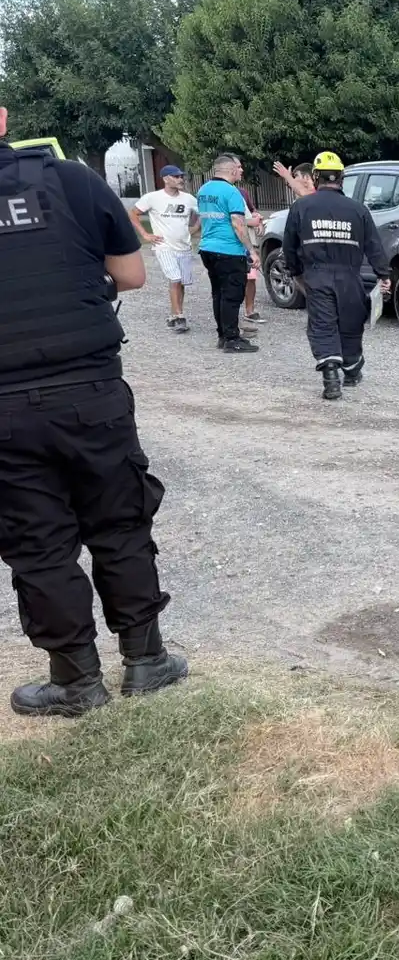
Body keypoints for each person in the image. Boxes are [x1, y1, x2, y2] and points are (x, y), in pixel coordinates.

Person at [0, 104, 188, 717]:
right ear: (3, 120)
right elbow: (131, 275)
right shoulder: (73, 180)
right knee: (119, 522)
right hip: (91, 394)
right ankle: (146, 661)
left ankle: (78, 681)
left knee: (39, 543)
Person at [281, 151, 391, 400]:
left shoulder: (301, 207)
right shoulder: (358, 210)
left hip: (317, 276)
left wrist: (296, 273)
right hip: (349, 277)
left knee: (323, 325)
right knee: (351, 324)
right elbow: (374, 245)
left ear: (316, 177)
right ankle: (351, 371)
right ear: (342, 178)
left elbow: (289, 246)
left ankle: (331, 378)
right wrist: (383, 274)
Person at [197, 154, 259, 353]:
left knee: (219, 294)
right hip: (229, 250)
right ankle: (232, 339)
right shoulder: (231, 192)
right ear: (231, 170)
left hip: (208, 248)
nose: (241, 171)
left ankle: (222, 335)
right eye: (239, 168)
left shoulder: (203, 190)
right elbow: (238, 225)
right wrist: (251, 251)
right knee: (232, 295)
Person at [129, 165, 198, 333]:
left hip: (184, 245)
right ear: (166, 178)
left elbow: (201, 214)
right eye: (176, 176)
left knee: (182, 282)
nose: (180, 179)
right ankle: (179, 316)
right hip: (163, 246)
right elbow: (133, 213)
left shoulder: (189, 199)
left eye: (181, 176)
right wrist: (146, 234)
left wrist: (195, 228)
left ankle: (175, 314)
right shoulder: (152, 197)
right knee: (174, 278)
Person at [240, 181, 265, 325]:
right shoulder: (223, 194)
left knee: (251, 278)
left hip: (249, 242)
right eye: (238, 167)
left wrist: (259, 220)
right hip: (233, 243)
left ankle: (250, 311)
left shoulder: (242, 192)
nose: (241, 170)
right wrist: (252, 222)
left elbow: (252, 211)